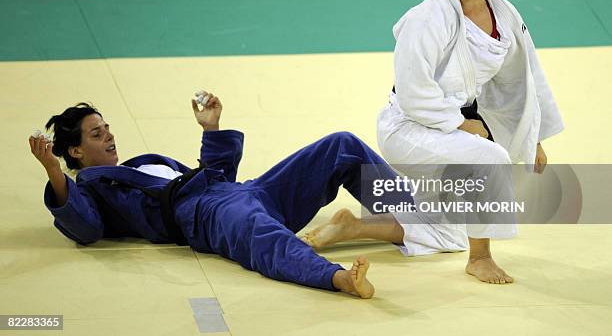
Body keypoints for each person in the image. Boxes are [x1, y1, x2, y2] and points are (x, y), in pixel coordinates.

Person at [302, 0, 563, 284]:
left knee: (451, 231)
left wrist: (532, 135)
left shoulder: (504, 15)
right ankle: (481, 258)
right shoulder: (430, 18)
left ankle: (351, 227)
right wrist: (461, 124)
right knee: (489, 158)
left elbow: (523, 80)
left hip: (448, 131)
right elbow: (412, 92)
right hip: (408, 128)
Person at [27, 92, 407, 299]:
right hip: (203, 214)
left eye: (107, 128)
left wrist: (212, 130)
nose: (109, 135)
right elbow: (85, 227)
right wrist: (53, 173)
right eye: (97, 134)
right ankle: (337, 278)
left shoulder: (140, 165)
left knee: (339, 145)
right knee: (265, 239)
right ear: (74, 152)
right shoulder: (95, 188)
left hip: (239, 191)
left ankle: (416, 216)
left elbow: (217, 175)